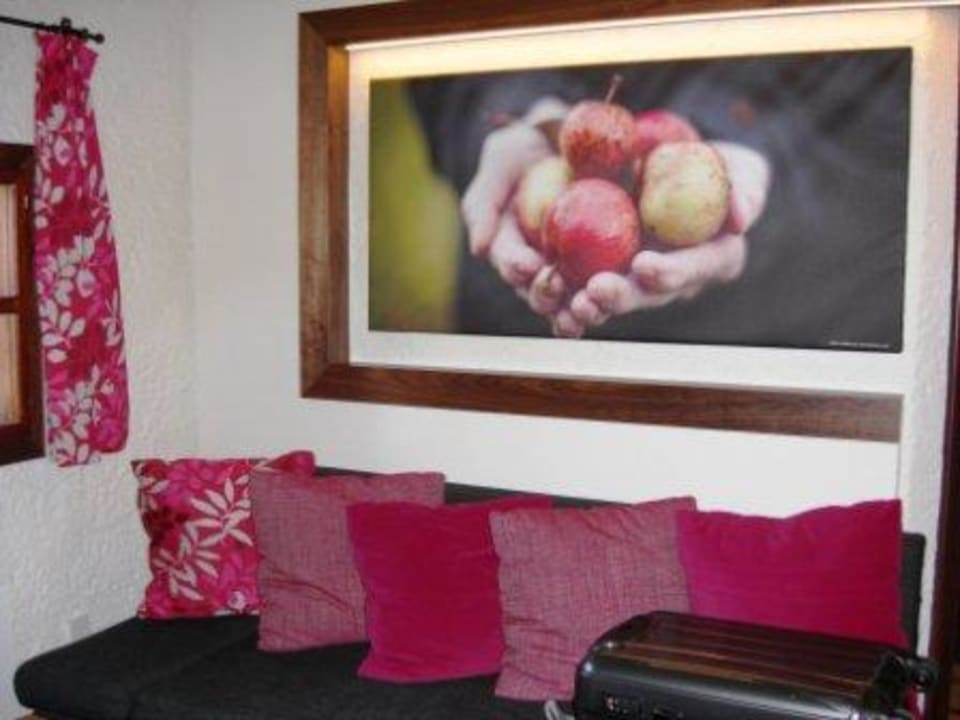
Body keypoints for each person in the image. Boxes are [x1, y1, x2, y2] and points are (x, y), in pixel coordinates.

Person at [405, 49, 910, 351]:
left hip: (775, 332)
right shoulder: (573, 179)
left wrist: (750, 146)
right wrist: (520, 111)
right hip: (520, 335)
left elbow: (895, 107)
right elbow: (438, 53)